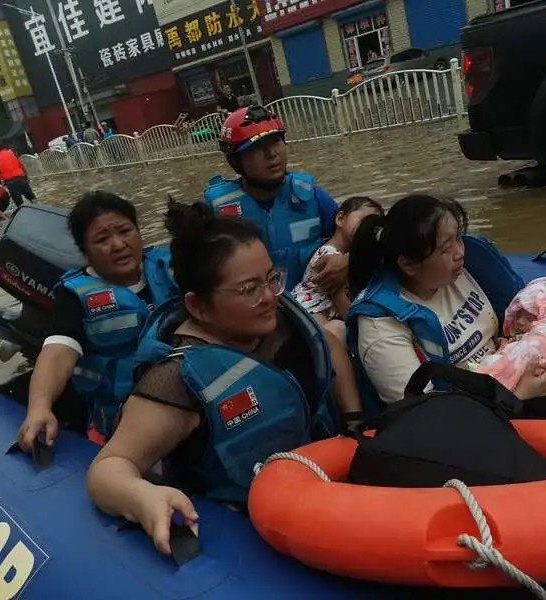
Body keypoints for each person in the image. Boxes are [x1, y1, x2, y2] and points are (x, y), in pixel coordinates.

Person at [86, 201, 365, 555]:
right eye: (249, 289)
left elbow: (326, 344)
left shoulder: (277, 318)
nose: (269, 297)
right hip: (256, 522)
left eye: (270, 278)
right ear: (198, 306)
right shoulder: (177, 383)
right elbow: (107, 468)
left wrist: (355, 419)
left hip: (327, 472)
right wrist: (142, 496)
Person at [346, 194, 546, 412]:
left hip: (512, 376)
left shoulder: (464, 270)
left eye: (458, 238)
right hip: (475, 417)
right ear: (408, 264)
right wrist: (518, 397)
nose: (460, 252)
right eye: (446, 248)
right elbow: (431, 420)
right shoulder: (382, 327)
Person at [17, 191, 179, 451]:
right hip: (125, 418)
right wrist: (39, 406)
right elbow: (58, 352)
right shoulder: (75, 296)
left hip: (187, 400)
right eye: (102, 239)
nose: (118, 245)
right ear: (85, 252)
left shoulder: (171, 267)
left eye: (125, 231)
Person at [204, 105, 347, 292]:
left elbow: (355, 236)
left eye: (276, 141)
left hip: (313, 304)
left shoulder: (312, 196)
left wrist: (347, 261)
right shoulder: (215, 210)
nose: (272, 154)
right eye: (257, 148)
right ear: (235, 161)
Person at [291, 196, 384, 340]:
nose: (367, 228)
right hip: (309, 311)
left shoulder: (341, 255)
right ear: (340, 219)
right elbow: (345, 307)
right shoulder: (329, 256)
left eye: (373, 226)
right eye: (363, 221)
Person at [0, 143, 36, 207]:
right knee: (32, 197)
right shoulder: (12, 153)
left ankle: (23, 214)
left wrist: (0, 183)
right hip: (21, 178)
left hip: (11, 183)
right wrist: (26, 177)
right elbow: (21, 165)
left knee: (19, 202)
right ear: (4, 147)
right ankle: (40, 209)